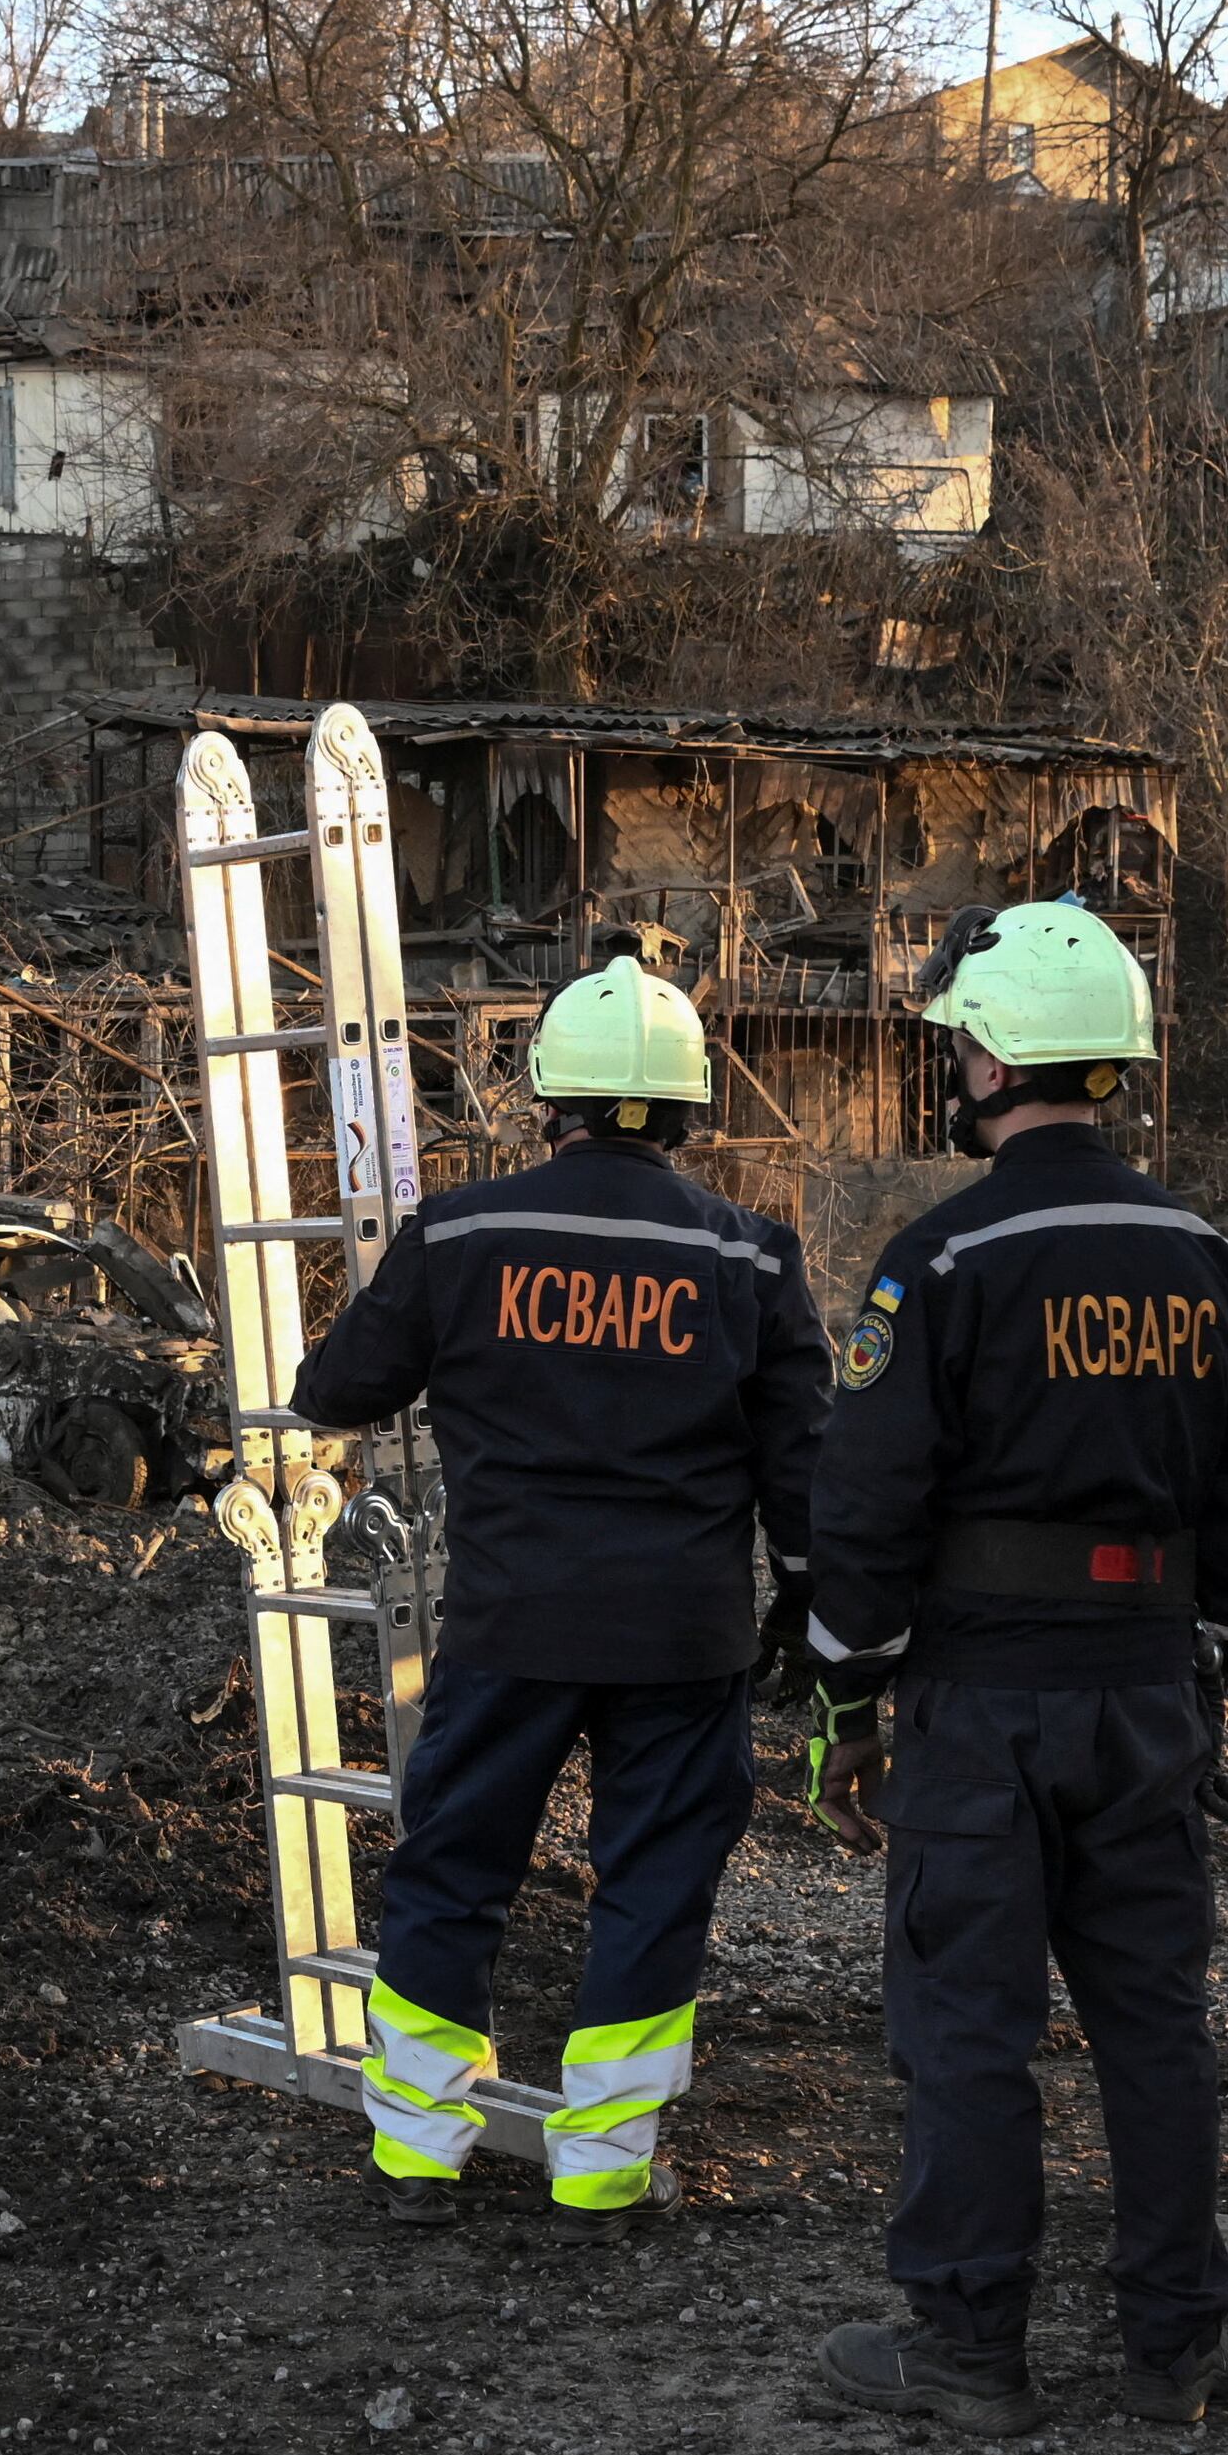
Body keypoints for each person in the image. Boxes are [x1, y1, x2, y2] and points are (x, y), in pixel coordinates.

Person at [792, 904, 1228, 2430]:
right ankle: (1174, 2346)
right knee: (1155, 2017)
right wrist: (1205, 1659)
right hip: (1148, 1686)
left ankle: (965, 2348)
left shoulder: (943, 1257)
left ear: (994, 1052)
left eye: (960, 1034)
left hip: (983, 1697)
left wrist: (842, 1690)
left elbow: (869, 1498)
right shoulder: (1207, 1257)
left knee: (967, 2023)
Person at [288, 951, 830, 2233]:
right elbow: (804, 1467)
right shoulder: (749, 1256)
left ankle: (418, 2155)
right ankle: (601, 2170)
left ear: (547, 1099)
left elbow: (338, 1388)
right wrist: (813, 1612)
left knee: (452, 1868)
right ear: (691, 1109)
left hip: (507, 1623)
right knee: (649, 1885)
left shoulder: (467, 1231)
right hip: (680, 1636)